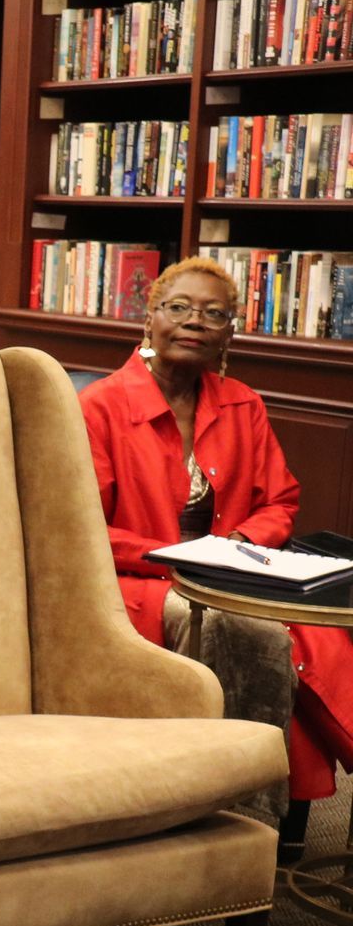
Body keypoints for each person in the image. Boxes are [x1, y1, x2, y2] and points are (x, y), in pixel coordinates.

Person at [80, 256, 353, 845]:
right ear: (149, 319)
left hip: (235, 571)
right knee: (245, 629)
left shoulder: (242, 403)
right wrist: (178, 557)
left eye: (213, 314)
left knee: (317, 628)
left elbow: (279, 500)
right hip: (135, 579)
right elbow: (80, 529)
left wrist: (238, 546)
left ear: (229, 333)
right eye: (178, 307)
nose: (194, 322)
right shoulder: (99, 406)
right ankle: (243, 816)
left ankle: (270, 819)